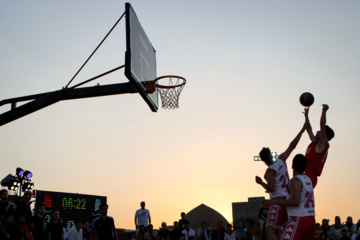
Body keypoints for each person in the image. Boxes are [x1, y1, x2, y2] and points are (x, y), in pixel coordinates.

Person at [255, 125, 306, 240]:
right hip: (287, 200)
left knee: (269, 229)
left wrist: (261, 183)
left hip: (277, 202)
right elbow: (292, 146)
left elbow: (272, 188)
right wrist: (302, 130)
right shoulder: (281, 160)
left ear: (263, 161)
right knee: (278, 231)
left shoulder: (270, 170)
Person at [263, 154, 316, 240]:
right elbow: (299, 197)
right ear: (305, 167)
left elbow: (296, 201)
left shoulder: (295, 181)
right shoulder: (307, 179)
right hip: (311, 219)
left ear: (292, 165)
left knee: (272, 230)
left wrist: (274, 201)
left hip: (299, 219)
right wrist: (280, 198)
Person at [303, 105, 334, 188]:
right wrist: (306, 116)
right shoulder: (315, 143)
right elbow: (308, 129)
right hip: (306, 174)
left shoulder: (322, 144)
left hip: (311, 176)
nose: (318, 131)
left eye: (320, 131)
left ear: (324, 136)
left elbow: (322, 124)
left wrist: (324, 111)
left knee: (297, 196)